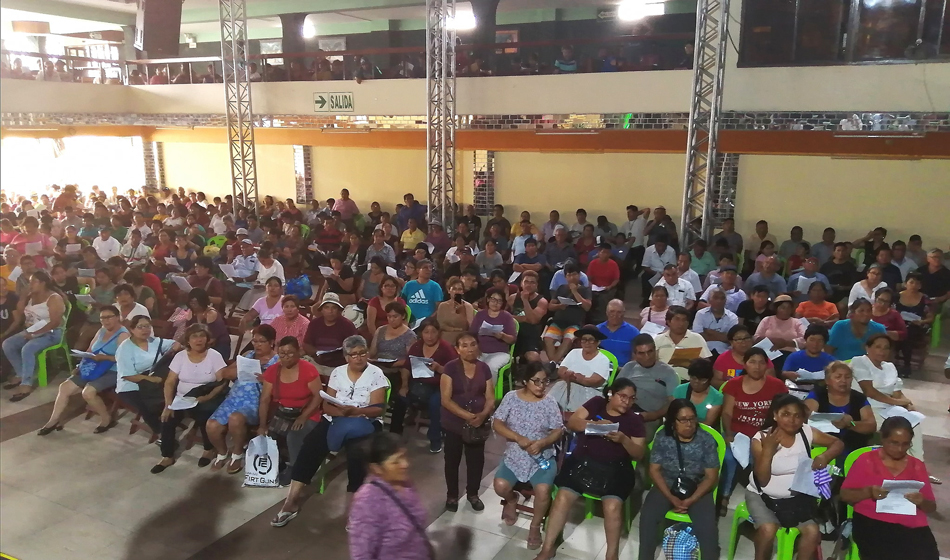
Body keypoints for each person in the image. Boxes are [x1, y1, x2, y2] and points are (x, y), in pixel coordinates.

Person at [271, 335, 388, 527]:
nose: (359, 358)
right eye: (353, 354)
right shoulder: (337, 373)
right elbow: (326, 405)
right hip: (337, 417)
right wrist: (342, 413)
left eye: (362, 353)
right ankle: (291, 501)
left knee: (357, 454)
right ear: (346, 356)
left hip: (365, 420)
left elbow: (377, 409)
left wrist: (355, 412)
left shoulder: (376, 373)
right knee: (310, 445)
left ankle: (353, 508)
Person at [534, 379, 646, 560]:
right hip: (582, 463)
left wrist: (624, 440)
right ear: (611, 394)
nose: (627, 402)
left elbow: (639, 453)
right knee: (562, 498)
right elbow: (572, 423)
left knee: (612, 507)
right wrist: (595, 425)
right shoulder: (597, 403)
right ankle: (547, 548)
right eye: (623, 396)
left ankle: (611, 555)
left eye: (631, 398)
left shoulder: (634, 419)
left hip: (616, 470)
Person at [746, 395, 843, 560]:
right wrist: (768, 450)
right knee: (768, 529)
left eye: (797, 415)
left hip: (796, 499)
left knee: (812, 532)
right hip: (763, 497)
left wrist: (824, 456)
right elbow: (762, 479)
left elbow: (838, 443)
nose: (792, 420)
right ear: (775, 415)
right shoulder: (761, 438)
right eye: (786, 414)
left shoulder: (806, 432)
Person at [840, 417, 939, 560]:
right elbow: (845, 495)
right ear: (883, 438)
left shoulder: (917, 466)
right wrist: (868, 492)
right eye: (894, 443)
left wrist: (921, 501)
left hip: (911, 525)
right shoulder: (866, 461)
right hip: (872, 521)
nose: (899, 449)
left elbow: (931, 507)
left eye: (905, 444)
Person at [492, 363, 564, 548]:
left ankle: (535, 526)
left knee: (543, 491)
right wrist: (517, 437)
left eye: (545, 381)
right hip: (515, 455)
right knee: (500, 486)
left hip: (541, 457)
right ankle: (511, 500)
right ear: (525, 381)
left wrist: (543, 443)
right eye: (536, 381)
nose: (541, 386)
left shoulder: (549, 402)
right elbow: (497, 423)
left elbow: (558, 430)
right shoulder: (511, 398)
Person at [638, 399, 721, 560]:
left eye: (692, 419)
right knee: (648, 518)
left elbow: (711, 476)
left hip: (697, 487)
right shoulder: (663, 437)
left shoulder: (706, 439)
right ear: (673, 422)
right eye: (683, 420)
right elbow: (654, 470)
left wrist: (691, 500)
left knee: (708, 529)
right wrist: (671, 498)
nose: (689, 424)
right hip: (667, 484)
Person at [37, 306, 129, 434]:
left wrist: (104, 357)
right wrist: (79, 366)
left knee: (88, 393)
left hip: (113, 370)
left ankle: (106, 419)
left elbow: (124, 359)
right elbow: (90, 350)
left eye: (109, 317)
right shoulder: (101, 331)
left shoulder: (123, 335)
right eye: (102, 318)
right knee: (64, 387)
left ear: (117, 317)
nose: (105, 321)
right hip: (94, 366)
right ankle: (53, 420)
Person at [152, 323, 229, 474]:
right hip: (183, 399)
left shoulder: (214, 355)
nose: (198, 340)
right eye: (194, 336)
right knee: (167, 418)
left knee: (204, 415)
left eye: (202, 336)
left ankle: (208, 449)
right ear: (188, 340)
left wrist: (207, 397)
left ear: (207, 338)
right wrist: (168, 405)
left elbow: (222, 382)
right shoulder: (180, 356)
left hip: (206, 397)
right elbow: (170, 382)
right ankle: (167, 456)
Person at [719, 348, 789, 512]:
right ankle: (724, 496)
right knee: (729, 458)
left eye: (761, 363)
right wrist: (728, 434)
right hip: (737, 434)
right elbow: (727, 412)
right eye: (752, 362)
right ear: (745, 364)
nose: (757, 367)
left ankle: (762, 496)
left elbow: (784, 410)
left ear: (767, 365)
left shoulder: (776, 385)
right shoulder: (733, 384)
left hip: (765, 434)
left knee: (761, 457)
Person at [206, 325, 282, 474]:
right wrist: (239, 371)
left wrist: (265, 380)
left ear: (272, 342)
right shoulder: (248, 355)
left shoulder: (277, 361)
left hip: (255, 402)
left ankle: (237, 453)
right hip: (234, 398)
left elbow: (282, 386)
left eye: (262, 341)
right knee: (212, 425)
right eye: (255, 341)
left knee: (235, 419)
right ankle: (222, 452)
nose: (257, 345)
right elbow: (225, 373)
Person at [348, 433, 431, 560]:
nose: (405, 464)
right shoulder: (367, 501)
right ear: (376, 468)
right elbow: (361, 554)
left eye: (404, 456)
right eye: (395, 462)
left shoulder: (406, 483)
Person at [257, 336, 323, 485]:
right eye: (282, 354)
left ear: (298, 352)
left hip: (307, 413)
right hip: (284, 412)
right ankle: (278, 464)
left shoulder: (308, 369)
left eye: (290, 353)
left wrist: (303, 417)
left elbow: (318, 396)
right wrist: (262, 425)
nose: (286, 357)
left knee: (294, 435)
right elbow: (265, 399)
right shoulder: (273, 371)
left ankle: (295, 469)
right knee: (270, 435)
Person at [2, 270, 67, 402]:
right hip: (32, 329)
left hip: (51, 332)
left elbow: (55, 322)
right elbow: (20, 311)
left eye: (33, 282)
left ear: (43, 283)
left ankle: (26, 383)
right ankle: (21, 373)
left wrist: (36, 333)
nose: (30, 284)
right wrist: (23, 296)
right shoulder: (32, 296)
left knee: (28, 348)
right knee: (8, 344)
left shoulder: (54, 298)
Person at [113, 315, 181, 435]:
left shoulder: (154, 341)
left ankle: (169, 424)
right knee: (147, 406)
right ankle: (161, 432)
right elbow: (128, 375)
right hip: (132, 385)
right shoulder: (125, 348)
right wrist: (150, 379)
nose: (145, 330)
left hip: (155, 383)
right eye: (140, 327)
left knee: (173, 395)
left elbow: (175, 344)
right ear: (132, 329)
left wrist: (172, 351)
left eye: (147, 326)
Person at [400, 318, 458, 453]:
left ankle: (435, 438)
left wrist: (439, 368)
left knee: (435, 402)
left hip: (440, 386)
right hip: (418, 384)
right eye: (426, 332)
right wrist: (404, 385)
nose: (430, 336)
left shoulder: (446, 349)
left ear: (439, 333)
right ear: (421, 333)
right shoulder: (416, 347)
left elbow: (455, 373)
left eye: (433, 332)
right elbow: (406, 367)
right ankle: (394, 435)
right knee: (400, 398)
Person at [804, 361, 875, 459]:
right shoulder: (817, 394)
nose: (843, 381)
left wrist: (851, 424)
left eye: (847, 377)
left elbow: (871, 426)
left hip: (853, 450)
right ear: (827, 380)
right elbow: (806, 418)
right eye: (838, 377)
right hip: (821, 448)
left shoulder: (859, 398)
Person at [617, 333, 680, 436]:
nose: (647, 357)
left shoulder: (668, 372)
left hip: (649, 417)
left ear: (655, 350)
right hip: (624, 411)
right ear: (634, 354)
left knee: (636, 437)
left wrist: (654, 415)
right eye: (641, 353)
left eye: (650, 352)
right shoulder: (629, 367)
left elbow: (673, 403)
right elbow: (615, 391)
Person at [369, 301, 417, 433]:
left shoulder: (409, 335)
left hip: (398, 371)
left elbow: (410, 359)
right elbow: (372, 352)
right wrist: (369, 358)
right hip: (379, 368)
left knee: (401, 396)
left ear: (403, 316)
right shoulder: (381, 330)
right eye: (389, 316)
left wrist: (393, 363)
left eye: (395, 316)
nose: (391, 319)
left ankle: (395, 430)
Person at [548, 325, 611, 412]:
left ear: (598, 342)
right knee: (551, 402)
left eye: (591, 340)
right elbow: (561, 371)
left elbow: (597, 381)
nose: (587, 343)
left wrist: (579, 379)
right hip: (567, 385)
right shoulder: (574, 353)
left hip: (589, 391)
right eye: (584, 339)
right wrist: (569, 376)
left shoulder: (603, 359)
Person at [543, 263, 592, 363]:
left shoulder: (585, 290)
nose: (571, 277)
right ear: (565, 277)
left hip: (574, 324)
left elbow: (587, 307)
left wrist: (575, 292)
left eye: (574, 274)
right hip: (558, 322)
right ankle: (554, 363)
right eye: (569, 275)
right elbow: (550, 306)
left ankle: (553, 364)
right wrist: (559, 306)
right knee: (547, 338)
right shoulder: (561, 288)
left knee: (568, 339)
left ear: (579, 275)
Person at [303, 293, 358, 377]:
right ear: (322, 310)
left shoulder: (347, 325)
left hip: (339, 366)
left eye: (334, 308)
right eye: (326, 307)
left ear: (338, 310)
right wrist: (317, 353)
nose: (330, 311)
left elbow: (355, 347)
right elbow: (306, 344)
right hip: (317, 363)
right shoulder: (314, 324)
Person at [469, 287, 517, 381]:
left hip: (500, 353)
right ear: (488, 299)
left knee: (490, 366)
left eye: (499, 301)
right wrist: (476, 348)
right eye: (493, 299)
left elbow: (512, 339)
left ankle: (489, 390)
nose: (495, 303)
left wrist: (502, 336)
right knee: (470, 363)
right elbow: (471, 334)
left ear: (502, 303)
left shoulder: (506, 316)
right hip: (480, 351)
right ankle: (472, 388)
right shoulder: (480, 315)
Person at [654, 306, 712, 380]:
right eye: (677, 319)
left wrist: (690, 363)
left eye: (684, 320)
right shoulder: (658, 339)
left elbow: (706, 365)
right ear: (668, 322)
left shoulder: (697, 338)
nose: (681, 324)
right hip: (663, 381)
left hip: (689, 381)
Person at [895, 271, 935, 374]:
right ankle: (893, 363)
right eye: (911, 282)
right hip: (898, 324)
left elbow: (930, 317)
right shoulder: (897, 296)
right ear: (905, 283)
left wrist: (921, 321)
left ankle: (906, 365)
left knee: (908, 333)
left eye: (917, 283)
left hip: (917, 325)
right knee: (898, 332)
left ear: (920, 286)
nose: (914, 285)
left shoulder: (924, 299)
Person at [509, 271, 548, 364]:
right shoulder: (512, 298)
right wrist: (523, 318)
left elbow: (532, 320)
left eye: (532, 282)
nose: (528, 285)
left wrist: (525, 300)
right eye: (526, 282)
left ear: (536, 285)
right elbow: (505, 317)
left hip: (530, 337)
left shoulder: (542, 302)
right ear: (521, 283)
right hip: (513, 334)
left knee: (533, 357)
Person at [674, 359, 723, 426]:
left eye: (702, 380)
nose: (696, 382)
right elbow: (672, 415)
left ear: (709, 380)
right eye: (693, 378)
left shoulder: (717, 397)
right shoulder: (679, 390)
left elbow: (708, 423)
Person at [185, 288, 231, 359]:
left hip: (218, 346)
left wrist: (195, 347)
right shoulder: (191, 312)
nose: (193, 305)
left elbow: (212, 339)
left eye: (196, 303)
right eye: (191, 303)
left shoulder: (211, 314)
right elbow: (187, 332)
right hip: (199, 345)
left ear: (202, 302)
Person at [692, 287, 739, 355]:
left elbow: (732, 339)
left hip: (724, 353)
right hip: (703, 352)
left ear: (726, 301)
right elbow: (698, 336)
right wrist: (723, 335)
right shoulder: (700, 314)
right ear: (709, 300)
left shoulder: (733, 317)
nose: (719, 301)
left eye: (722, 298)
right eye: (716, 298)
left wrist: (710, 332)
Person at [597, 299, 639, 367]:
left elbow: (637, 357)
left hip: (623, 370)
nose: (615, 315)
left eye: (619, 312)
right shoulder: (597, 330)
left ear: (624, 313)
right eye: (612, 311)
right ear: (607, 312)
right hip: (599, 368)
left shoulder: (634, 332)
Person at [436, 276, 475, 345]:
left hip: (462, 340)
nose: (457, 292)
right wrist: (455, 329)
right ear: (449, 290)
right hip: (446, 339)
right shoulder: (442, 306)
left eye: (460, 289)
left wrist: (463, 312)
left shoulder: (468, 306)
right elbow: (440, 325)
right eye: (454, 289)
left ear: (462, 292)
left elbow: (470, 327)